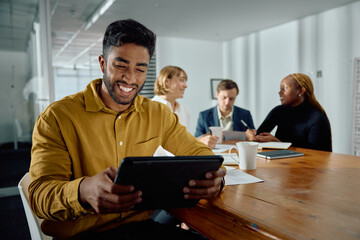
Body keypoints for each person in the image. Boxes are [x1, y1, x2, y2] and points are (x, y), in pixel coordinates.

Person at [29, 19, 225, 240]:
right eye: (121, 66)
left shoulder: (158, 114)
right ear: (103, 64)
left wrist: (216, 179)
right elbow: (39, 196)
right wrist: (83, 191)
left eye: (140, 69)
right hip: (83, 234)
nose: (131, 78)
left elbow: (200, 155)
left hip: (142, 227)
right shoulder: (57, 117)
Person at [246, 73, 332, 151]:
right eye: (280, 89)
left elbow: (315, 155)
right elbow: (259, 135)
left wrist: (279, 144)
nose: (280, 92)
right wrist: (252, 136)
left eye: (284, 88)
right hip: (282, 164)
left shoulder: (317, 118)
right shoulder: (278, 111)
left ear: (301, 91)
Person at [152, 66, 218, 148]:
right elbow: (158, 145)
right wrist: (198, 142)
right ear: (166, 82)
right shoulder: (152, 108)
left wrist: (202, 139)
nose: (185, 86)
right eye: (181, 80)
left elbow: (184, 140)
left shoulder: (184, 110)